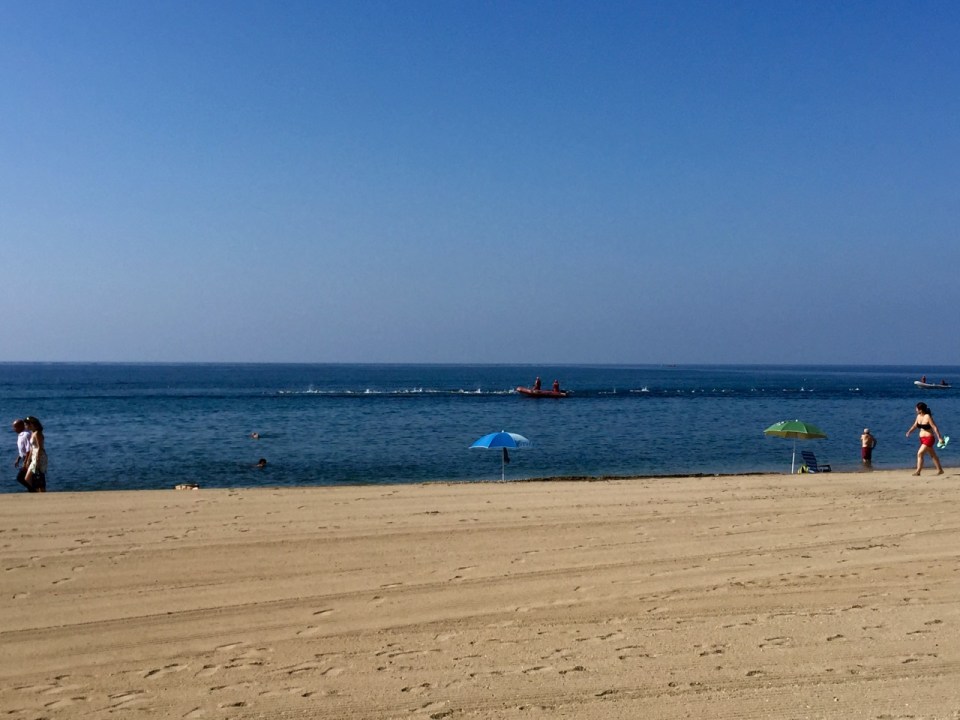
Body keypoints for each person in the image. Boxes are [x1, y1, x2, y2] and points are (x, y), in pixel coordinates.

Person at [905, 402, 944, 476]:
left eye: (916, 408)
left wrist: (939, 438)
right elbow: (915, 426)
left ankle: (918, 471)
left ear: (920, 410)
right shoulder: (918, 416)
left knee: (920, 453)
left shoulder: (928, 417)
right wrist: (909, 432)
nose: (915, 410)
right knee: (932, 455)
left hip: (929, 438)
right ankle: (940, 470)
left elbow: (934, 427)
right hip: (922, 439)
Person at [21, 416, 47, 492]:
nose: (25, 426)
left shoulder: (37, 433)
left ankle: (39, 491)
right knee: (31, 478)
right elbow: (32, 448)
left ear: (31, 424)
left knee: (36, 476)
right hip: (34, 456)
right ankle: (37, 491)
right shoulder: (33, 433)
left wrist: (37, 459)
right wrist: (28, 459)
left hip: (39, 456)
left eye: (26, 424)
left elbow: (40, 447)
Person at [12, 419, 33, 491]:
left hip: (29, 458)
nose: (13, 429)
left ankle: (32, 490)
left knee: (20, 477)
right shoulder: (20, 435)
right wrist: (18, 459)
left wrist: (26, 462)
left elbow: (29, 450)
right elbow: (22, 450)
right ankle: (32, 490)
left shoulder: (26, 435)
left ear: (21, 426)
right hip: (25, 457)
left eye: (15, 427)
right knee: (28, 478)